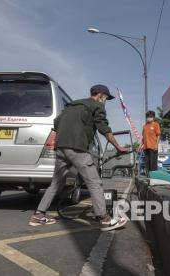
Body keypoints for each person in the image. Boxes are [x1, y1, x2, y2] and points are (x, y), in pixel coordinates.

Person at [29, 84, 128, 231]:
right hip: (77, 149)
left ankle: (38, 216)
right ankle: (104, 220)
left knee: (56, 183)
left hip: (61, 148)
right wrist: (119, 147)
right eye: (106, 97)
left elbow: (56, 123)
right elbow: (104, 129)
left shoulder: (71, 106)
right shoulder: (97, 106)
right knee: (94, 183)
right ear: (100, 95)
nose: (106, 100)